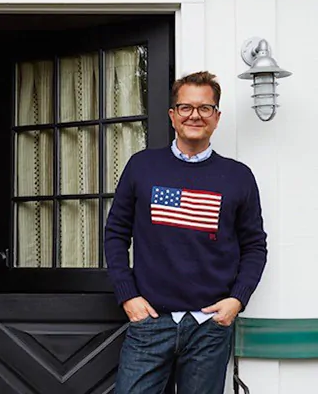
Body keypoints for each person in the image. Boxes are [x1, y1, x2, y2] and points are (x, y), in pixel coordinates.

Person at [104, 71, 267, 394]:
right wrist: (128, 296)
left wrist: (237, 300)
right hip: (150, 321)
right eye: (186, 107)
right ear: (173, 115)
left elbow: (254, 246)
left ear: (217, 117)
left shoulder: (238, 177)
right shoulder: (142, 166)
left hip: (209, 325)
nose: (195, 115)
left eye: (205, 108)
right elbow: (116, 234)